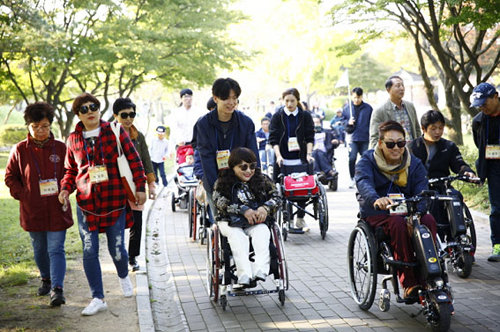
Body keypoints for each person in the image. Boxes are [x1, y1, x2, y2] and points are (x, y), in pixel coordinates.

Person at [58, 92, 146, 316]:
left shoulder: (114, 131)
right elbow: (70, 170)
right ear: (78, 114)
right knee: (89, 251)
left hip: (114, 201)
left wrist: (141, 187)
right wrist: (65, 189)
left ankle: (123, 275)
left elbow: (134, 160)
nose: (91, 111)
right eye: (85, 109)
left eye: (94, 106)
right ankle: (98, 297)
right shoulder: (73, 139)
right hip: (87, 205)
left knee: (117, 250)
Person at [355, 120, 437, 299]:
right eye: (390, 144)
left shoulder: (413, 163)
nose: (396, 148)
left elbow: (422, 190)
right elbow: (363, 183)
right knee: (397, 223)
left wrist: (417, 214)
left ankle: (432, 276)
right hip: (379, 213)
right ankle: (409, 283)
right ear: (380, 143)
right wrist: (376, 199)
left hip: (408, 211)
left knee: (428, 220)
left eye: (400, 143)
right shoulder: (367, 161)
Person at [5, 102, 73, 307]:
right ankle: (46, 278)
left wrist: (65, 189)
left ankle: (57, 289)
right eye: (35, 126)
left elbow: (71, 172)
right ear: (28, 126)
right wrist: (24, 194)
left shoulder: (61, 148)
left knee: (56, 249)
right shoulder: (19, 150)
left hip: (57, 207)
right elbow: (10, 177)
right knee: (39, 249)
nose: (40, 131)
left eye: (44, 126)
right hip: (32, 208)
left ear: (50, 125)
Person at [192, 77, 260, 222]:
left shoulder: (245, 123)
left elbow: (253, 156)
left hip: (242, 179)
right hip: (215, 179)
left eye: (234, 98)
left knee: (246, 221)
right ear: (215, 98)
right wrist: (216, 189)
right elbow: (206, 158)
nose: (231, 103)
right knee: (223, 222)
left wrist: (255, 183)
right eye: (226, 98)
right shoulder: (203, 124)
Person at [213, 147, 280, 285]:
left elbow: (277, 197)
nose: (249, 171)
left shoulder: (262, 179)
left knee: (262, 231)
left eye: (252, 166)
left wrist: (265, 208)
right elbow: (219, 202)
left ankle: (260, 270)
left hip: (255, 221)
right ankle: (243, 274)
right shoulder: (222, 181)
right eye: (243, 167)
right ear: (233, 167)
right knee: (238, 237)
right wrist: (242, 209)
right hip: (229, 221)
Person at [408, 110, 475, 240]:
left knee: (456, 195)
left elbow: (458, 163)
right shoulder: (413, 148)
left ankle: (458, 237)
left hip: (443, 186)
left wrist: (467, 172)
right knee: (433, 203)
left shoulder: (449, 146)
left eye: (440, 128)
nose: (438, 132)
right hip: (421, 188)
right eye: (433, 129)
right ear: (423, 129)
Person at [112, 97, 156, 272]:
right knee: (117, 225)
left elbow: (146, 161)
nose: (129, 118)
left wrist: (151, 184)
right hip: (116, 187)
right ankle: (119, 258)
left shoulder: (138, 137)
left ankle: (132, 258)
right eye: (124, 115)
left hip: (136, 186)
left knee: (136, 224)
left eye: (132, 114)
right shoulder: (109, 135)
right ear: (116, 115)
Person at [269, 87, 315, 230]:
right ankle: (286, 218)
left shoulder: (305, 116)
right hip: (282, 157)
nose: (289, 104)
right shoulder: (277, 116)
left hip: (300, 157)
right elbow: (274, 139)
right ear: (283, 101)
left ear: (297, 101)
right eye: (287, 101)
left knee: (303, 189)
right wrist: (278, 156)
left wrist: (308, 154)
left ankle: (300, 218)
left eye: (292, 101)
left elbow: (309, 137)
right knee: (281, 189)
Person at [471, 82, 500, 262]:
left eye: (485, 103)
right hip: (494, 168)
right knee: (497, 208)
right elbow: (479, 144)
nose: (482, 107)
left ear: (495, 97)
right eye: (479, 105)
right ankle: (497, 245)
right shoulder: (479, 121)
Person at [369, 76, 421, 148]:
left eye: (402, 85)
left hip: (412, 151)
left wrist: (419, 146)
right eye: (398, 86)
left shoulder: (410, 106)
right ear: (388, 89)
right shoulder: (380, 111)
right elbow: (374, 137)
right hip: (393, 152)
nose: (402, 88)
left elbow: (417, 129)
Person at [342, 87, 373, 188]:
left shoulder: (368, 108)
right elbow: (341, 123)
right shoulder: (347, 109)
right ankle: (353, 178)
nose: (356, 100)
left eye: (358, 97)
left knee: (366, 159)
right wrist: (348, 123)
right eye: (355, 97)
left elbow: (372, 122)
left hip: (365, 138)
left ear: (362, 96)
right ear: (352, 96)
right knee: (352, 158)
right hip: (352, 138)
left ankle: (366, 177)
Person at [312, 114, 339, 183]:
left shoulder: (327, 132)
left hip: (326, 154)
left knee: (318, 152)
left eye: (317, 122)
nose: (316, 124)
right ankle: (329, 171)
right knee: (316, 152)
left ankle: (318, 172)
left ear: (320, 123)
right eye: (314, 122)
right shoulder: (308, 134)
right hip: (312, 154)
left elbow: (336, 142)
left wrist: (336, 142)